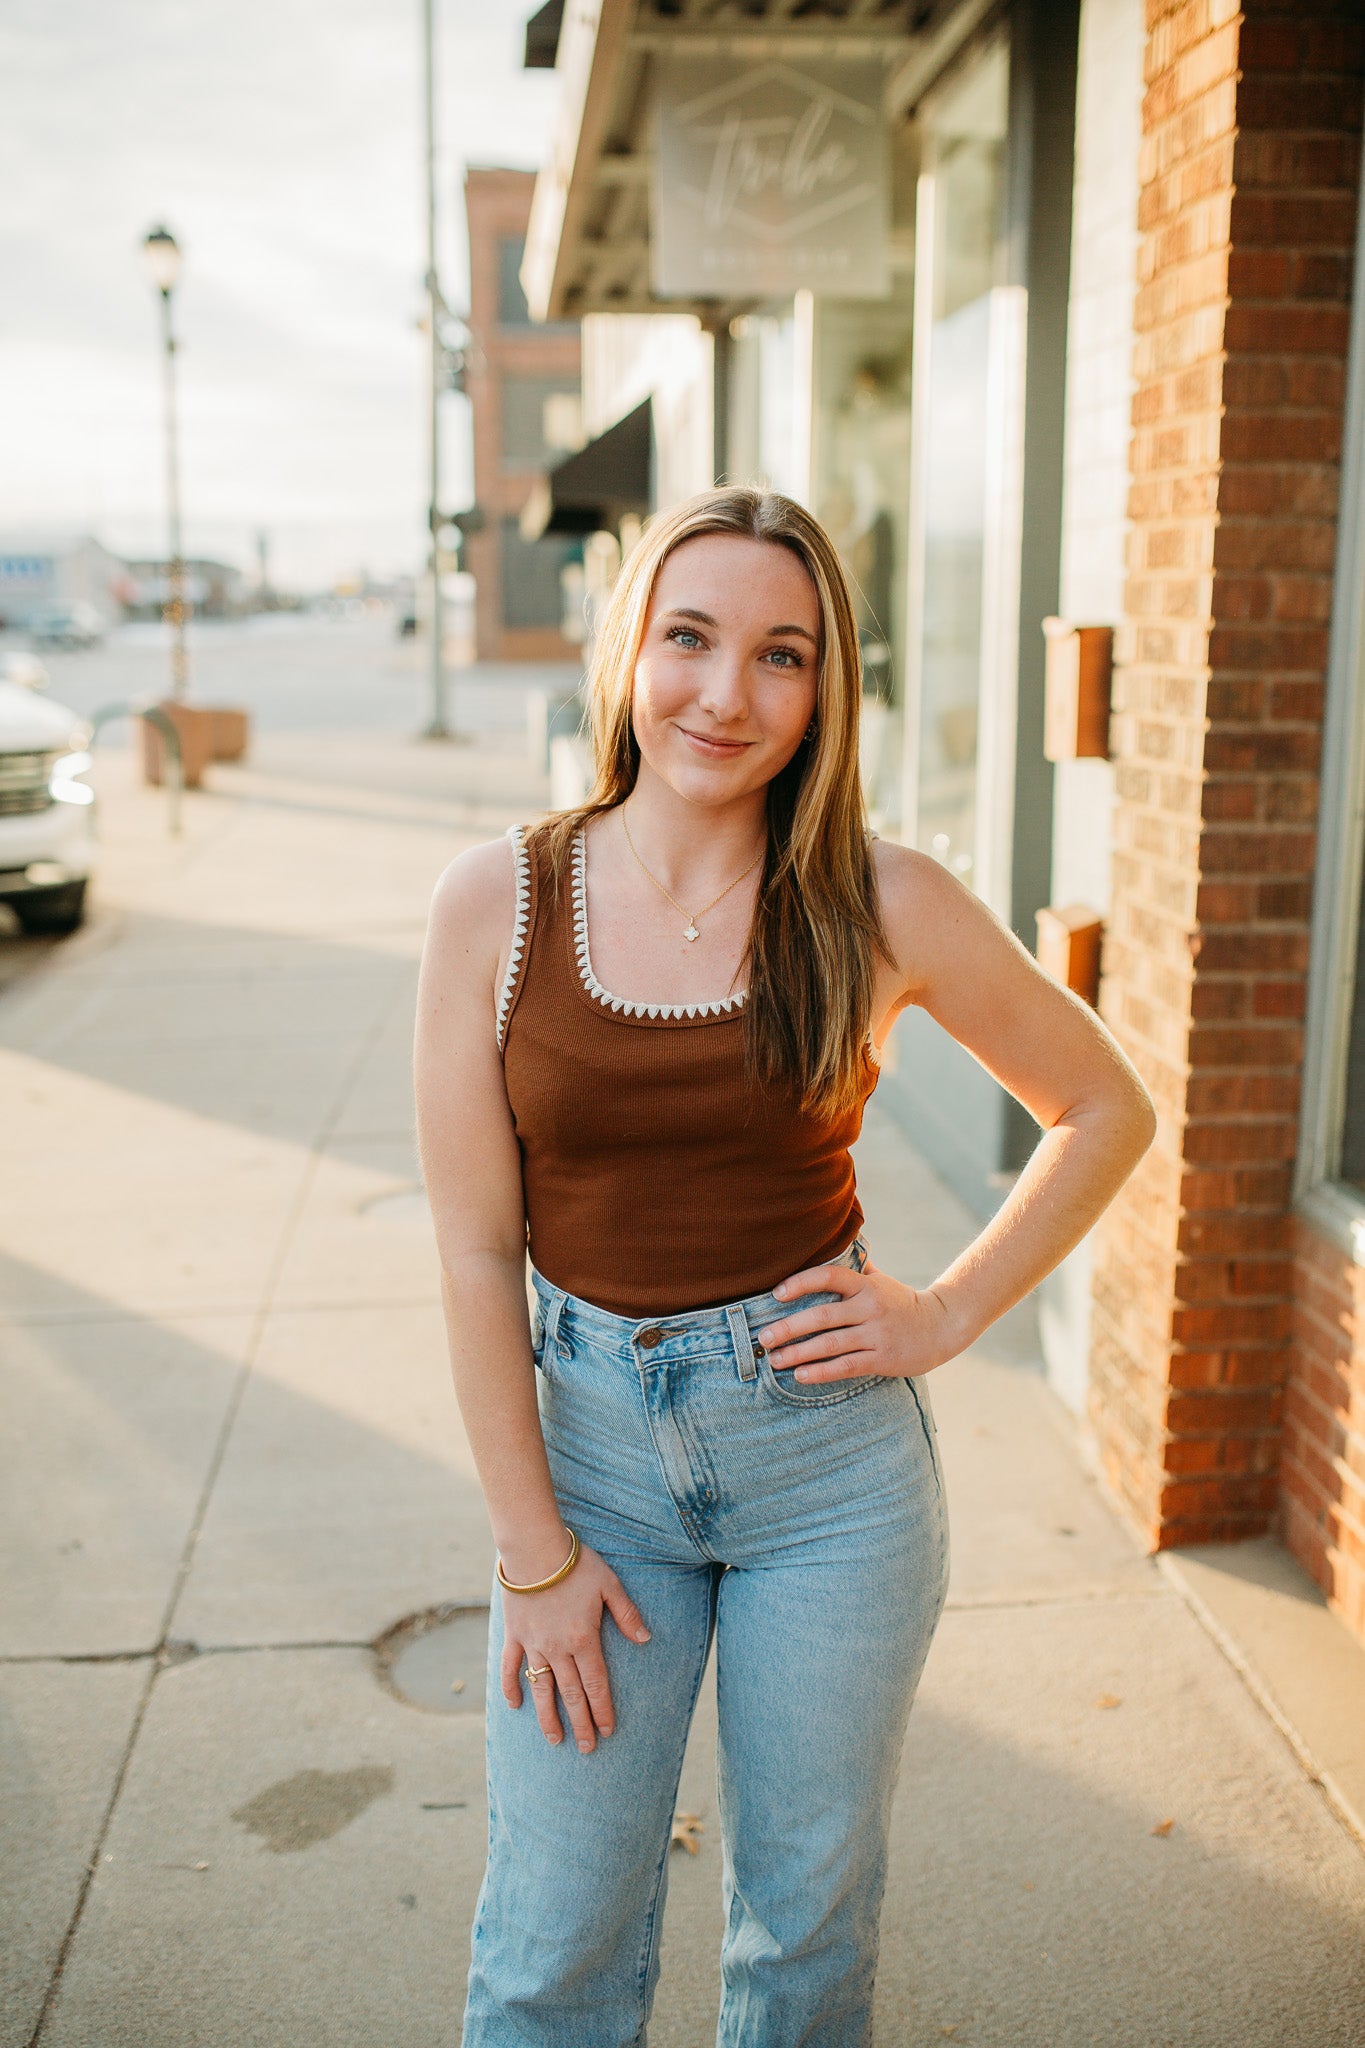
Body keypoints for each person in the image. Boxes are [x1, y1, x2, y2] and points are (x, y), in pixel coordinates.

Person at [413, 485, 1155, 2046]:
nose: (725, 694)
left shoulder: (882, 901)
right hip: (592, 1470)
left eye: (781, 654)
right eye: (688, 637)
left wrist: (946, 1310)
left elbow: (1103, 1104)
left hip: (829, 1484)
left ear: (826, 689)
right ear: (631, 649)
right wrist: (530, 1553)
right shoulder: (497, 902)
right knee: (551, 1941)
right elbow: (479, 1252)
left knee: (801, 1935)